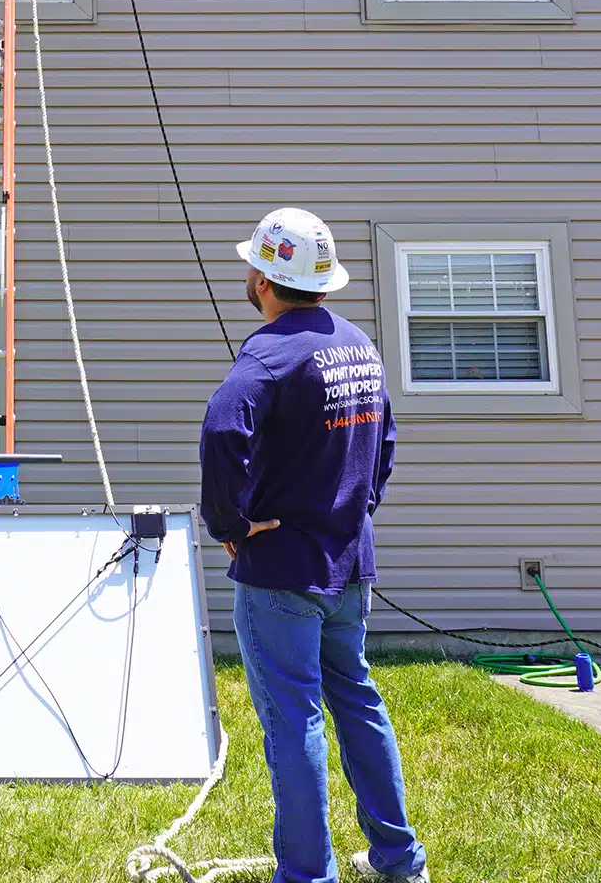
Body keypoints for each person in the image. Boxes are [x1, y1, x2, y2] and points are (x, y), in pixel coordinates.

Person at [199, 208, 429, 883]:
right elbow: (384, 444)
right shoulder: (358, 345)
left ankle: (306, 875)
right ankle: (398, 861)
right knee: (357, 700)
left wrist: (231, 528)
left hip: (281, 577)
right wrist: (357, 509)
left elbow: (220, 433)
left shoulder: (268, 353)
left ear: (265, 276)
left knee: (294, 719)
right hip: (347, 565)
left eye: (253, 264)